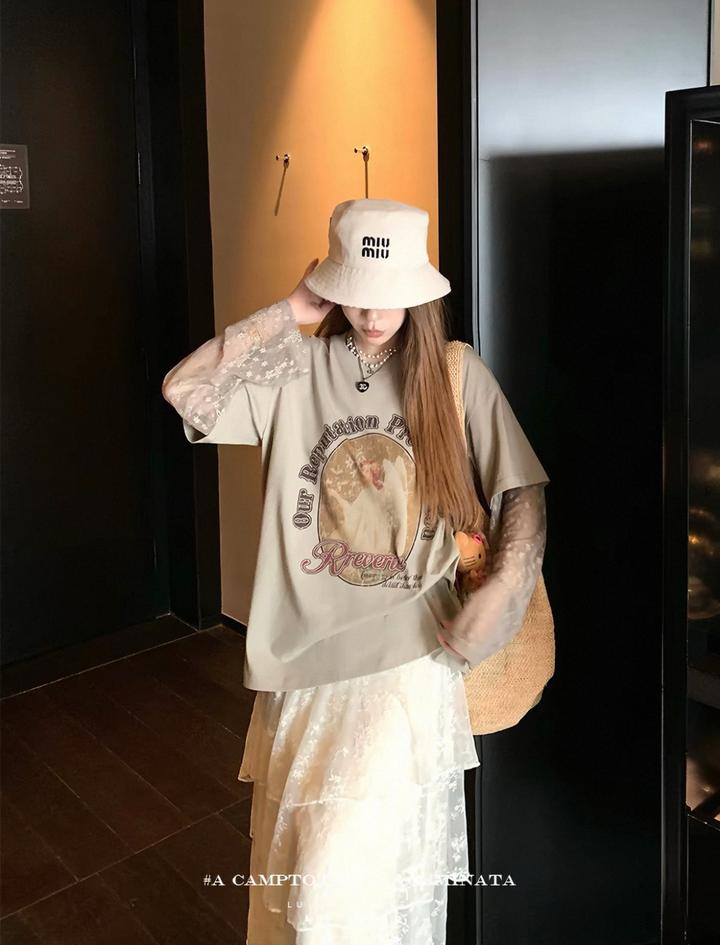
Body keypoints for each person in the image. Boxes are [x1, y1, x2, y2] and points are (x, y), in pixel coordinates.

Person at [162, 198, 550, 945]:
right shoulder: (297, 367)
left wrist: (506, 587)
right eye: (357, 292)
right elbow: (186, 390)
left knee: (340, 879)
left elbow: (521, 487)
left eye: (390, 294)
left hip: (410, 659)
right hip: (304, 662)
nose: (372, 315)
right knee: (309, 867)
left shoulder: (453, 372)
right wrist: (289, 312)